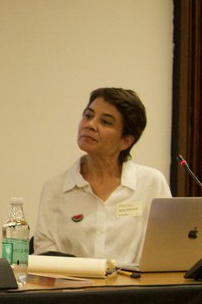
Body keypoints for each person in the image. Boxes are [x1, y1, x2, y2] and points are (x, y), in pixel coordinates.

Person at [33, 87, 170, 263]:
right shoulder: (55, 187)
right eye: (88, 115)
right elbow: (44, 255)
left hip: (135, 281)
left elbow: (166, 250)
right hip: (71, 281)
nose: (90, 125)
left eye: (105, 122)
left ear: (126, 141)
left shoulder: (152, 184)